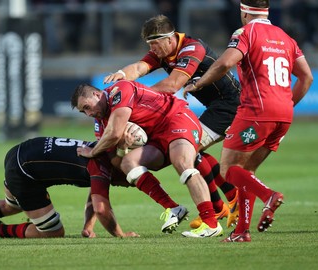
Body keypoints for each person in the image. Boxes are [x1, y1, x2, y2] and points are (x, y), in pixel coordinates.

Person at [184, 0, 313, 242]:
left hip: (256, 111)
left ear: (244, 12)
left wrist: (199, 83)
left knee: (229, 170)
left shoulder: (246, 32)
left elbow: (225, 62)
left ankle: (269, 196)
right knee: (247, 171)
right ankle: (242, 231)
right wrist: (286, 105)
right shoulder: (284, 36)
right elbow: (306, 77)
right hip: (284, 115)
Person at [103, 14, 241, 229]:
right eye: (150, 45)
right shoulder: (163, 52)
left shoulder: (192, 48)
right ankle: (226, 201)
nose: (153, 49)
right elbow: (139, 68)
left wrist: (135, 96)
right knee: (190, 151)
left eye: (156, 44)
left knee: (187, 150)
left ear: (170, 39)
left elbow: (172, 84)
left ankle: (224, 203)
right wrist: (122, 74)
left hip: (229, 106)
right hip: (215, 107)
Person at [71, 80, 224, 238]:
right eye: (84, 112)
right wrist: (123, 147)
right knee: (128, 163)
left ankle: (211, 223)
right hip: (156, 139)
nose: (89, 114)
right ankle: (173, 208)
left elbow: (115, 133)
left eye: (87, 107)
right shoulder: (101, 124)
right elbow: (116, 162)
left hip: (175, 118)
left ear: (97, 95)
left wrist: (93, 151)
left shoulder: (119, 90)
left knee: (183, 163)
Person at [0, 136, 153, 239]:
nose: (127, 186)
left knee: (12, 206)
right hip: (25, 172)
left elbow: (94, 197)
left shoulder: (103, 150)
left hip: (21, 151)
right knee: (53, 231)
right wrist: (121, 234)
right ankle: (3, 230)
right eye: (130, 181)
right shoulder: (102, 170)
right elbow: (101, 208)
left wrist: (88, 227)